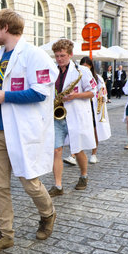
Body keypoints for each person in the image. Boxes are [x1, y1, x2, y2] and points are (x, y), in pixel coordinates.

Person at [0, 9, 58, 254]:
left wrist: (5, 96)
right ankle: (6, 234)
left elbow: (41, 91)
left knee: (30, 182)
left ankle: (48, 214)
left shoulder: (35, 55)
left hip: (21, 131)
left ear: (4, 27)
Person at [48, 40, 96, 198]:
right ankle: (58, 185)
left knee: (77, 148)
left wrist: (75, 96)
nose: (59, 59)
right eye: (57, 56)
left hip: (75, 116)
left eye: (62, 55)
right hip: (57, 116)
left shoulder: (82, 71)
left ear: (70, 55)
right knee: (56, 150)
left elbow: (92, 92)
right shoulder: (52, 71)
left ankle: (83, 175)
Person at [79, 57, 111, 163]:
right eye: (82, 66)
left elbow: (103, 94)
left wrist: (101, 97)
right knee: (79, 131)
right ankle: (74, 154)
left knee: (95, 131)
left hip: (93, 107)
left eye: (86, 67)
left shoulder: (98, 78)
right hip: (81, 107)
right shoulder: (77, 77)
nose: (84, 69)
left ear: (91, 66)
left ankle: (93, 154)